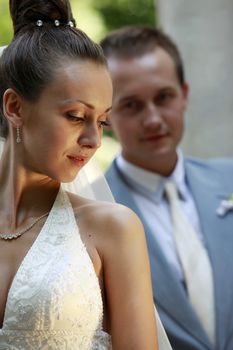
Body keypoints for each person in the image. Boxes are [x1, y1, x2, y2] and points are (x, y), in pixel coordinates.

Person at [0, 3, 158, 348]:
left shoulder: (113, 228)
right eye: (75, 116)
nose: (93, 140)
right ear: (14, 107)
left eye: (102, 121)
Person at [100, 26, 233, 350]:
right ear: (105, 114)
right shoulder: (91, 206)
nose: (154, 119)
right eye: (131, 105)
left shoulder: (229, 178)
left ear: (184, 94)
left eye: (163, 97)